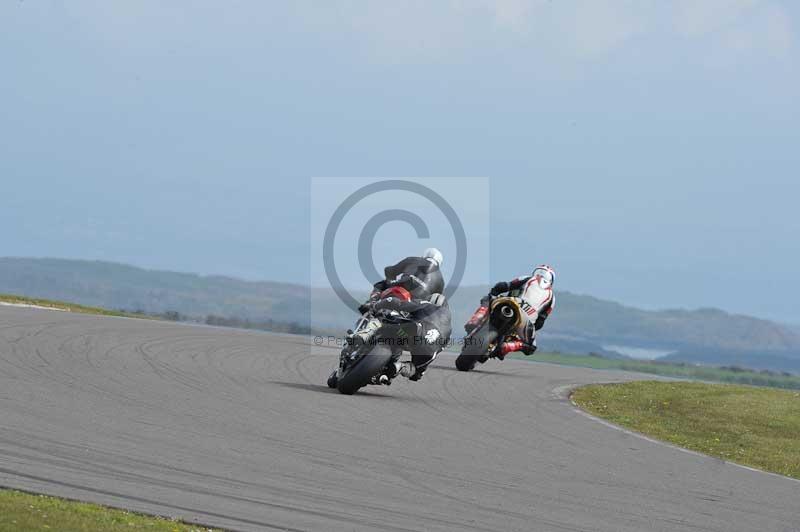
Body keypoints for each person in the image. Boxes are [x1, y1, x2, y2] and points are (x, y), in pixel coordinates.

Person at [466, 264, 555, 357]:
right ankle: (507, 346)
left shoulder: (528, 278)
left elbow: (505, 286)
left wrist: (493, 293)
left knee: (487, 300)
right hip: (527, 319)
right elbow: (540, 321)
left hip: (509, 302)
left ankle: (476, 319)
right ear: (551, 280)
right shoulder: (552, 298)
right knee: (531, 347)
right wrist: (530, 329)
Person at [366, 288, 451, 384]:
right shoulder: (449, 328)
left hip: (415, 331)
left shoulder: (427, 305)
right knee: (416, 372)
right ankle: (397, 368)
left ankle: (364, 336)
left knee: (385, 323)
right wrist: (420, 370)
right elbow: (441, 348)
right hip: (430, 350)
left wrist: (376, 305)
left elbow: (399, 304)